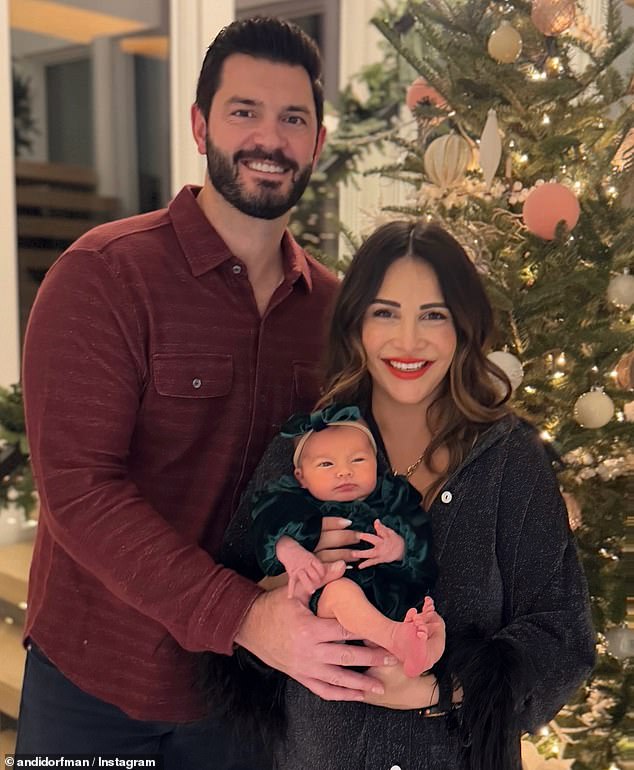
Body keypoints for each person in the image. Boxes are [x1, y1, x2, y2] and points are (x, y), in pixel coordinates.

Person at [16, 17, 393, 769]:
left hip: (245, 697)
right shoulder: (104, 276)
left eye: (293, 118)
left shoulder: (334, 311)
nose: (270, 138)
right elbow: (80, 493)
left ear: (318, 143)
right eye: (243, 111)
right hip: (98, 683)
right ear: (200, 125)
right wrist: (244, 615)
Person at [218, 220, 596, 770]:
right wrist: (291, 577)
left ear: (464, 327)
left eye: (434, 316)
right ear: (356, 326)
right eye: (386, 312)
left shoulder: (510, 458)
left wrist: (440, 689)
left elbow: (562, 636)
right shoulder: (305, 446)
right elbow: (230, 601)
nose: (409, 341)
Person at [251, 405, 445, 677]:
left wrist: (399, 549)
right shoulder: (294, 502)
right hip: (329, 602)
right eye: (326, 464)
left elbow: (422, 540)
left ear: (376, 464)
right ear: (301, 477)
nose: (344, 472)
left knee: (431, 619)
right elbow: (270, 527)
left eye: (358, 460)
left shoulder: (392, 498)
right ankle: (393, 637)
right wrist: (293, 552)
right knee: (341, 592)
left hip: (389, 597)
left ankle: (420, 651)